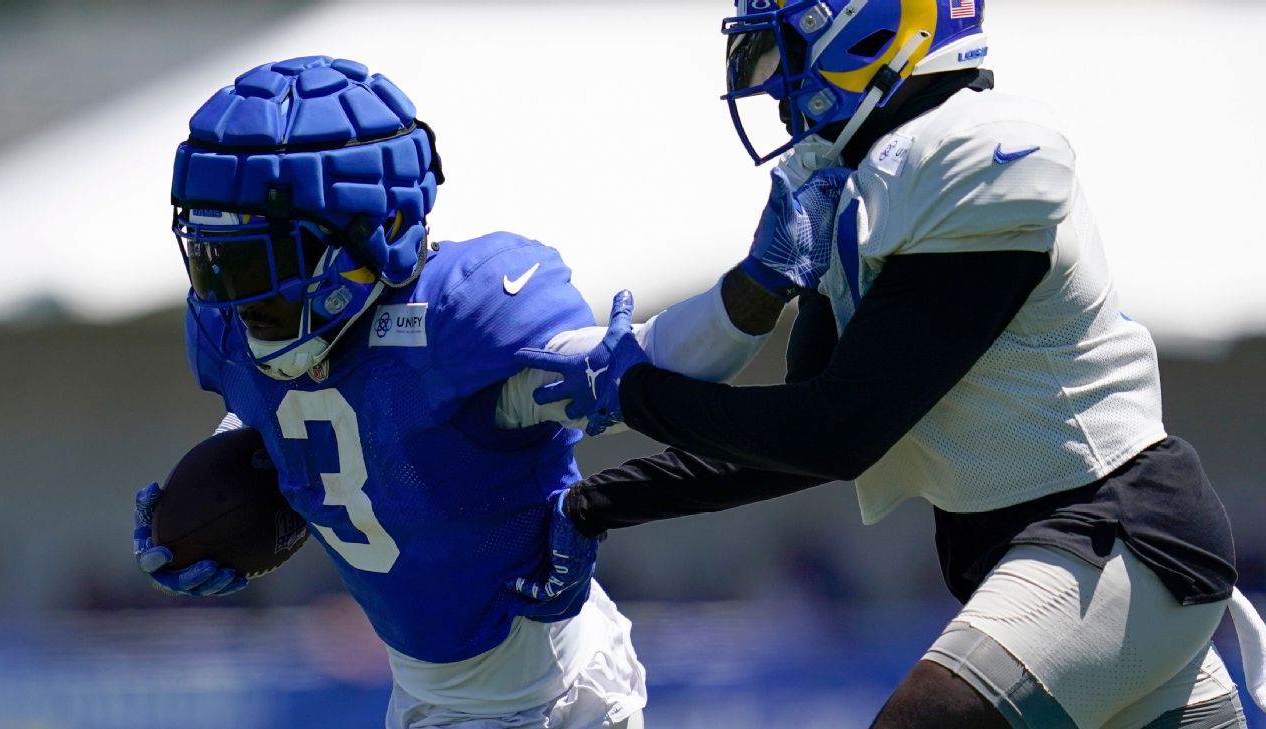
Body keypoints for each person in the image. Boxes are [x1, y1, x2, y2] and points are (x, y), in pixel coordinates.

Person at [511, 2, 1266, 727]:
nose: (778, 95)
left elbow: (834, 430)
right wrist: (599, 502)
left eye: (786, 57)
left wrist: (637, 395)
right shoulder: (874, 181)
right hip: (1088, 562)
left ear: (872, 35)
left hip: (1112, 538)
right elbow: (793, 438)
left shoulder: (983, 148)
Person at [129, 55, 773, 729]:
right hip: (424, 702)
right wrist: (214, 494)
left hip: (558, 701)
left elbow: (658, 365)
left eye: (260, 259)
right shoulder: (231, 336)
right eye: (216, 259)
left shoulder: (455, 323)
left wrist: (765, 280)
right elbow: (275, 413)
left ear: (365, 234)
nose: (236, 296)